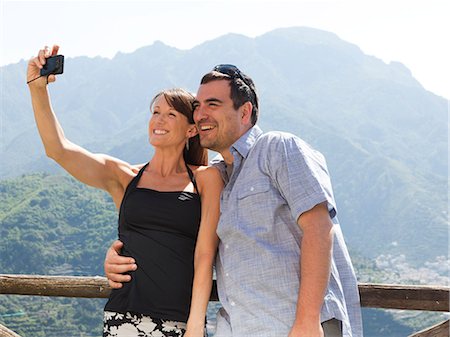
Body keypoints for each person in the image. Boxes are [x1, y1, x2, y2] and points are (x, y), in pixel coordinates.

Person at [105, 64, 363, 337]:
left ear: (245, 111)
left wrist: (307, 321)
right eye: (198, 105)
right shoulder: (216, 178)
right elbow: (176, 236)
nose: (200, 114)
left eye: (213, 104)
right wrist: (120, 253)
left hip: (298, 328)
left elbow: (319, 228)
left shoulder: (277, 148)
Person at [27, 45, 223, 337]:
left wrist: (195, 324)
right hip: (122, 317)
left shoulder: (206, 179)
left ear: (190, 130)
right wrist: (37, 88)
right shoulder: (124, 176)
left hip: (179, 322)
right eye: (155, 111)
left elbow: (204, 254)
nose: (159, 119)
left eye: (171, 114)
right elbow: (58, 150)